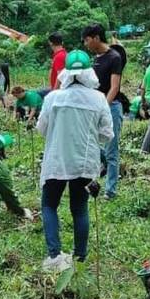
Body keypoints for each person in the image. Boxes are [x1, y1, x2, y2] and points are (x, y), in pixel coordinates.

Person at [37, 50, 114, 271]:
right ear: (89, 72)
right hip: (85, 163)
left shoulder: (53, 98)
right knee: (79, 208)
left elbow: (41, 129)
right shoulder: (98, 98)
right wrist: (89, 136)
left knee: (49, 205)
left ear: (66, 73)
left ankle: (55, 256)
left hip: (56, 161)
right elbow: (107, 134)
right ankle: (80, 257)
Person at [82, 23, 124, 200]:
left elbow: (114, 87)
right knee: (89, 142)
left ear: (96, 38)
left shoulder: (114, 57)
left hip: (111, 107)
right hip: (95, 107)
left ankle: (110, 191)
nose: (85, 44)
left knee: (111, 149)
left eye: (87, 40)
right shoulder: (95, 59)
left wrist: (102, 107)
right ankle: (104, 164)